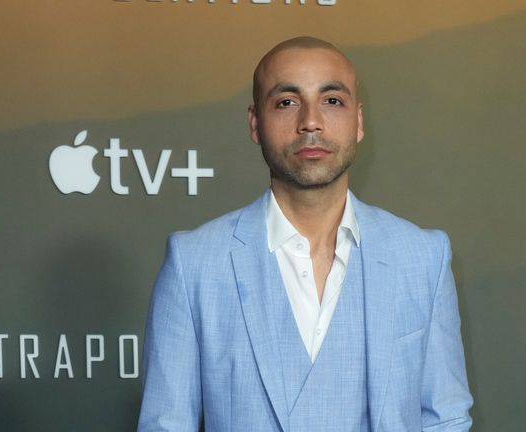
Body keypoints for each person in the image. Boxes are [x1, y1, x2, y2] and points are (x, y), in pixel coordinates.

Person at [137, 36, 473, 431]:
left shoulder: (422, 258)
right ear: (254, 124)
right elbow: (166, 425)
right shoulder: (194, 265)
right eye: (286, 102)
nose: (310, 121)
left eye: (332, 100)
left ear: (359, 121)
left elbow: (445, 419)